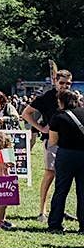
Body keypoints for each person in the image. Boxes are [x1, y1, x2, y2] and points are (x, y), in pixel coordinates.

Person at [23, 69, 73, 223]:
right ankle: (42, 210)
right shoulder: (47, 97)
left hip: (69, 142)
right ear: (55, 82)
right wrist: (40, 128)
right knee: (50, 173)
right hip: (51, 141)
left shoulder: (71, 97)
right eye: (62, 83)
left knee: (64, 177)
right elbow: (26, 113)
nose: (65, 86)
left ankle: (59, 209)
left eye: (68, 83)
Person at [47, 89, 84, 234]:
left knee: (61, 190)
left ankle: (55, 224)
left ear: (61, 101)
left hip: (66, 155)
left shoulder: (58, 117)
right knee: (82, 191)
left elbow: (52, 141)